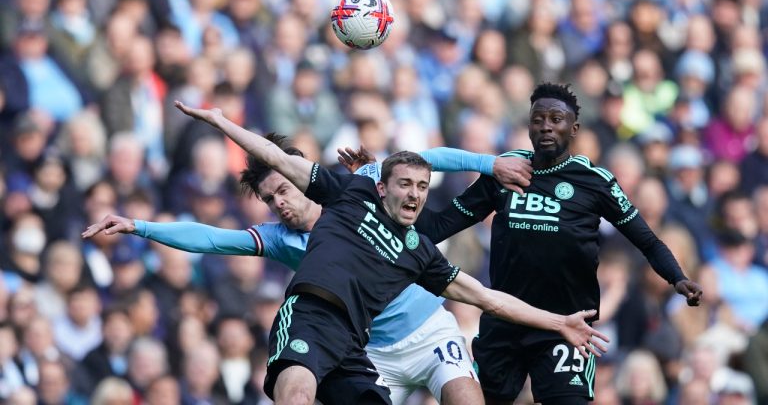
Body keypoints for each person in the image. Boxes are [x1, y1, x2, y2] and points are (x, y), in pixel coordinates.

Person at [105, 101, 606, 405]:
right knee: (298, 389)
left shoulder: (363, 192)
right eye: (270, 198)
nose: (281, 202)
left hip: (425, 332)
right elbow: (212, 238)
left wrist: (486, 163)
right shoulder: (286, 237)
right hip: (361, 343)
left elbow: (482, 294)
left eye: (285, 189)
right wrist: (141, 227)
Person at [410, 82, 702, 405]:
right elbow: (439, 226)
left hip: (566, 327)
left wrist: (677, 277)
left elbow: (647, 241)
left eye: (555, 119)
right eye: (538, 119)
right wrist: (385, 201)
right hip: (504, 322)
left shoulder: (595, 182)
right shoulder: (506, 171)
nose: (546, 126)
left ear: (573, 128)